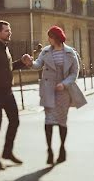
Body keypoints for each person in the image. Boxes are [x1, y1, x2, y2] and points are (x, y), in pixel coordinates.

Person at [30, 26, 87, 165]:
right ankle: (49, 150)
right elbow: (37, 65)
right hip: (49, 90)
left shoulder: (70, 53)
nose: (48, 39)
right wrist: (29, 62)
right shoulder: (45, 51)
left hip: (63, 92)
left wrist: (64, 84)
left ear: (55, 37)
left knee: (62, 121)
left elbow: (75, 72)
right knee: (48, 121)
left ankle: (62, 149)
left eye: (50, 36)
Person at [0, 20, 32, 170]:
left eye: (9, 31)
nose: (9, 33)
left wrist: (22, 62)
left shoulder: (5, 48)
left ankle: (7, 152)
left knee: (14, 121)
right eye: (6, 31)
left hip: (7, 93)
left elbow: (9, 68)